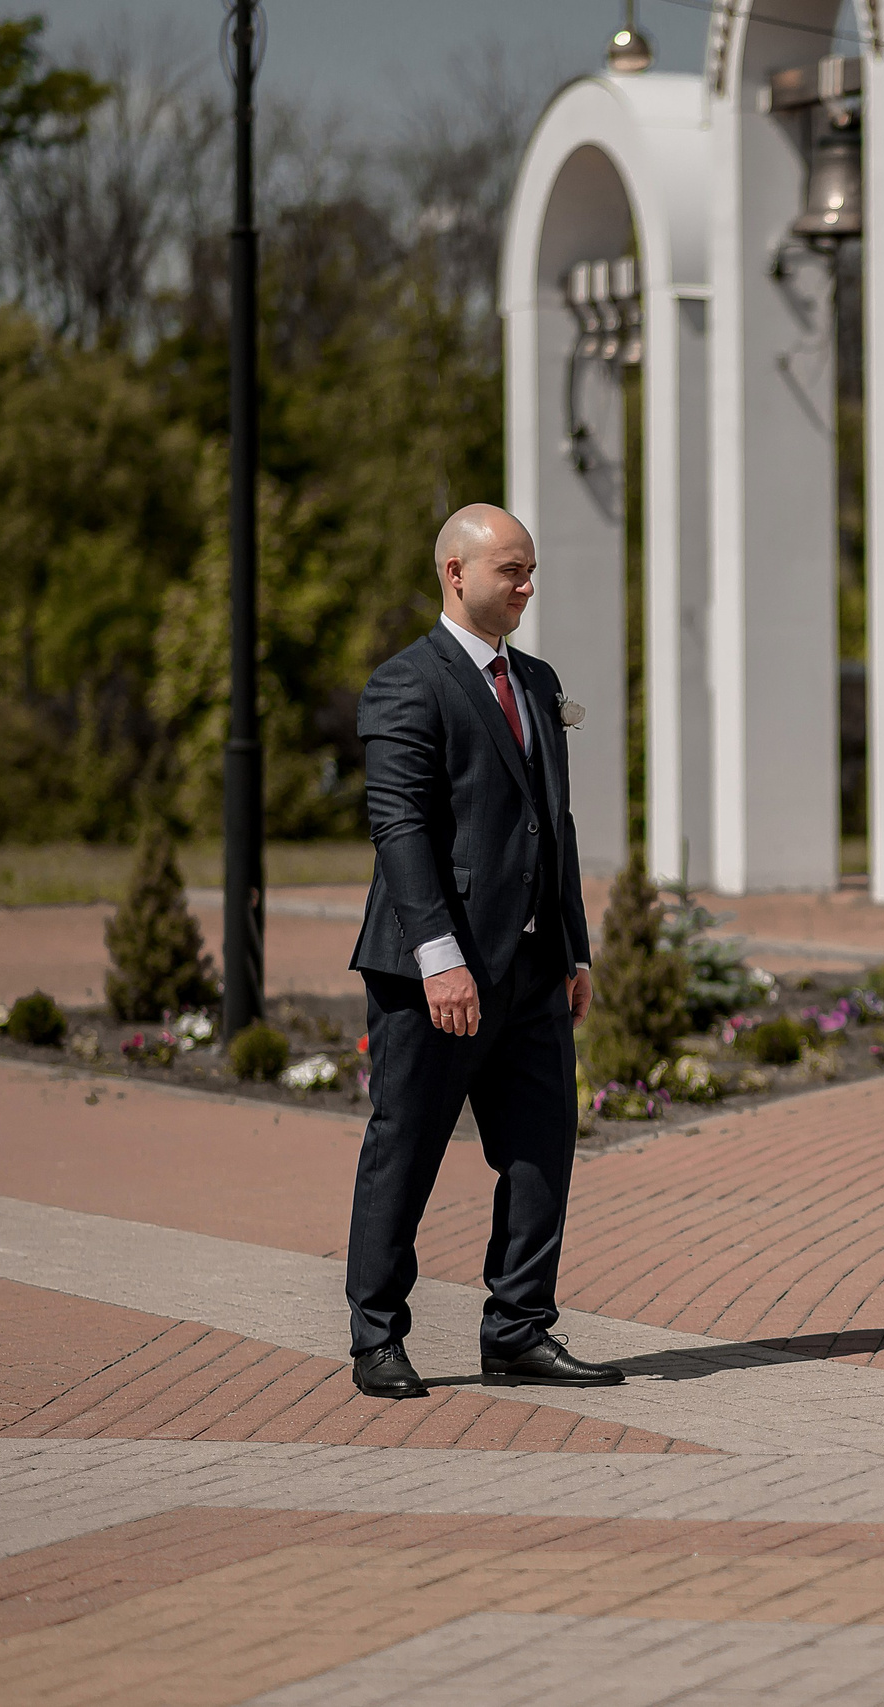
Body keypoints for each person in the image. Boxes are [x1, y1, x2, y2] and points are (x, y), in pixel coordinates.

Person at [341, 503, 625, 1399]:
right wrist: (439, 956)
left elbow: (556, 827)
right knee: (407, 1149)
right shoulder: (404, 684)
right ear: (456, 574)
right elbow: (401, 828)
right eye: (513, 570)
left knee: (543, 1152)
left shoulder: (536, 682)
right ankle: (377, 1337)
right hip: (436, 973)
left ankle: (519, 1330)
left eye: (531, 568)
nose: (528, 585)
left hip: (534, 972)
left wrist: (574, 948)